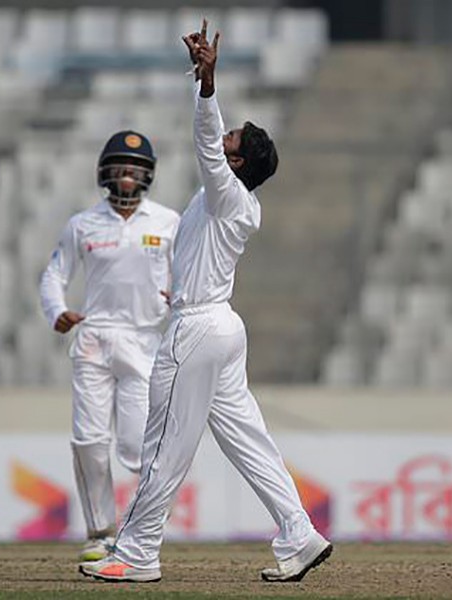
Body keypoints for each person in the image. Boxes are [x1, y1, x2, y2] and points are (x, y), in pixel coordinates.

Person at [80, 21, 332, 583]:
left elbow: (204, 139)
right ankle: (299, 532)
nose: (223, 142)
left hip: (197, 330)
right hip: (218, 324)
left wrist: (207, 83)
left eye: (232, 142)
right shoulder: (232, 202)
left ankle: (139, 553)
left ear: (238, 165)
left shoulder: (227, 193)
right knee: (248, 438)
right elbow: (199, 225)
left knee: (164, 442)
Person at [40, 130, 180, 562]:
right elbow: (53, 276)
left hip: (143, 341)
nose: (127, 178)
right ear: (105, 174)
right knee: (89, 440)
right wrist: (57, 311)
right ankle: (100, 531)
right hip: (94, 339)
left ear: (148, 176)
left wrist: (179, 298)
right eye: (120, 169)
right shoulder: (83, 224)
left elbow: (188, 273)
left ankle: (140, 530)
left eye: (135, 171)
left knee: (138, 446)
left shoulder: (168, 222)